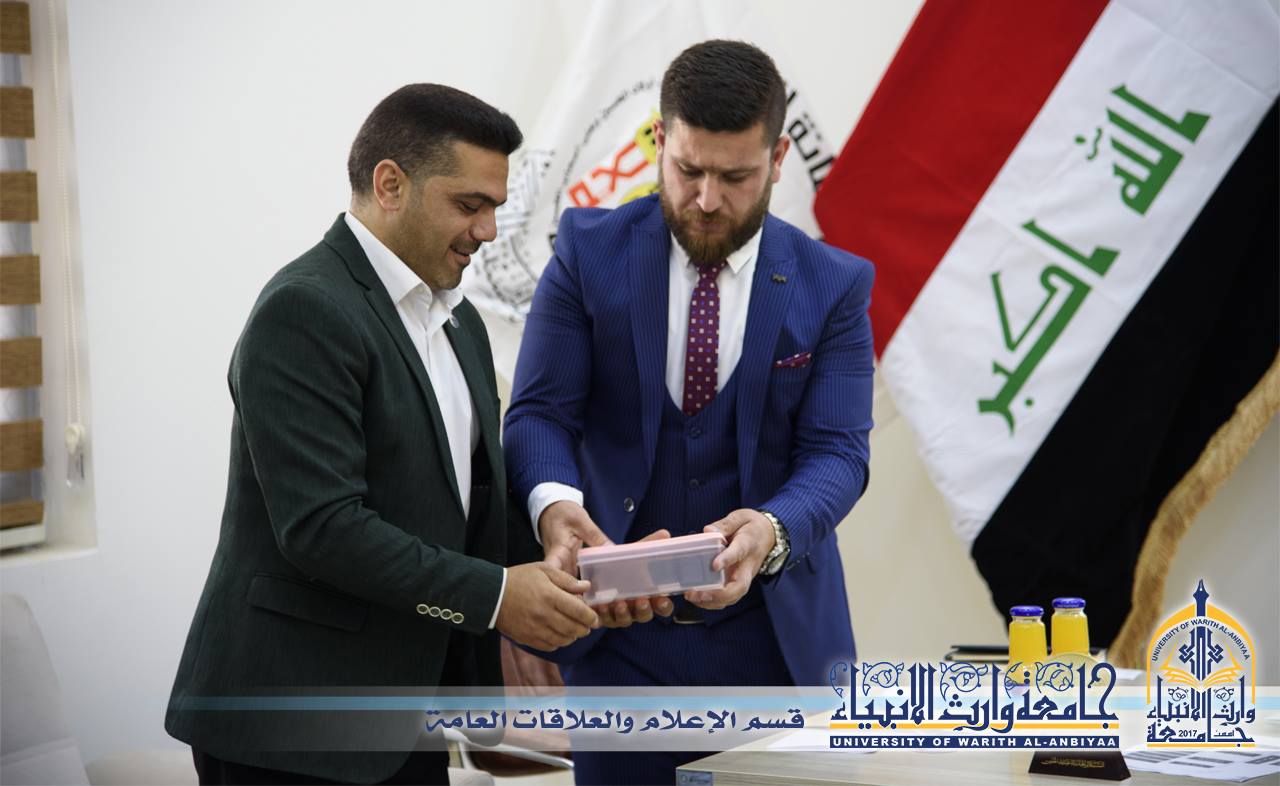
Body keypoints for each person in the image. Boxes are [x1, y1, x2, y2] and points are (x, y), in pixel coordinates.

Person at [165, 83, 599, 786]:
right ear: (390, 184)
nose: (489, 230)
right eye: (470, 204)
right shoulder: (304, 309)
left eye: (496, 206)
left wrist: (573, 565)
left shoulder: (460, 322)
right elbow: (324, 528)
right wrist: (496, 596)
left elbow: (460, 505)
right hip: (287, 727)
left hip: (405, 718)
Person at [503, 41, 875, 784]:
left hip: (776, 646)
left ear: (777, 160)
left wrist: (771, 529)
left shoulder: (834, 284)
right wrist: (556, 508)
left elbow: (839, 453)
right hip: (616, 645)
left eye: (735, 177)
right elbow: (539, 412)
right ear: (661, 140)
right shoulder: (586, 253)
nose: (706, 199)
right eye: (687, 170)